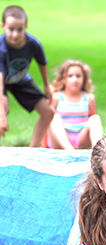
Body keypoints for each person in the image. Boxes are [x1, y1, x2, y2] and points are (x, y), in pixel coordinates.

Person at [0, 5, 54, 147]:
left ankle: (33, 150)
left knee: (48, 112)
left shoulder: (33, 44)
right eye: (11, 29)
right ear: (3, 26)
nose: (15, 34)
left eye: (20, 29)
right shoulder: (1, 48)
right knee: (1, 111)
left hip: (20, 79)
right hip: (1, 83)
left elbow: (42, 63)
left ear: (26, 26)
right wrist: (1, 115)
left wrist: (47, 86)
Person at [43, 59, 103, 150]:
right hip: (59, 141)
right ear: (63, 78)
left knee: (95, 118)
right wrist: (43, 147)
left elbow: (93, 124)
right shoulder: (56, 97)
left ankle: (98, 151)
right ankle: (69, 150)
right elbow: (45, 124)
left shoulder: (89, 98)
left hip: (81, 140)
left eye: (78, 76)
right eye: (70, 76)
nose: (74, 80)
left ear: (84, 79)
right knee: (53, 117)